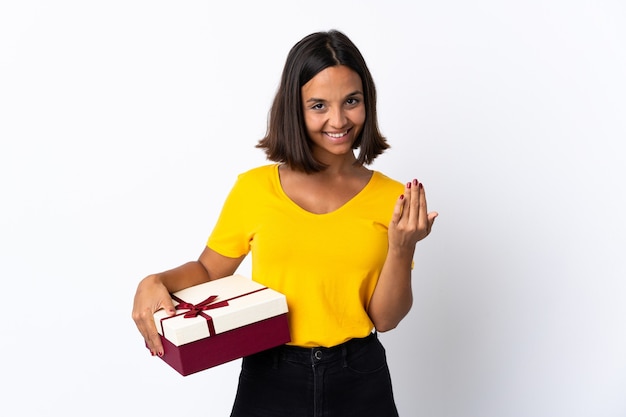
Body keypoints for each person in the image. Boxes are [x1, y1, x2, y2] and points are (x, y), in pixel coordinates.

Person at [132, 29, 438, 417]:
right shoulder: (255, 189)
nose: (338, 119)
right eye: (318, 105)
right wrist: (154, 281)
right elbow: (209, 269)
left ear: (368, 103)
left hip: (360, 376)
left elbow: (385, 319)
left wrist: (402, 246)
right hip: (270, 372)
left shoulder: (393, 198)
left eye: (351, 101)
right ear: (295, 108)